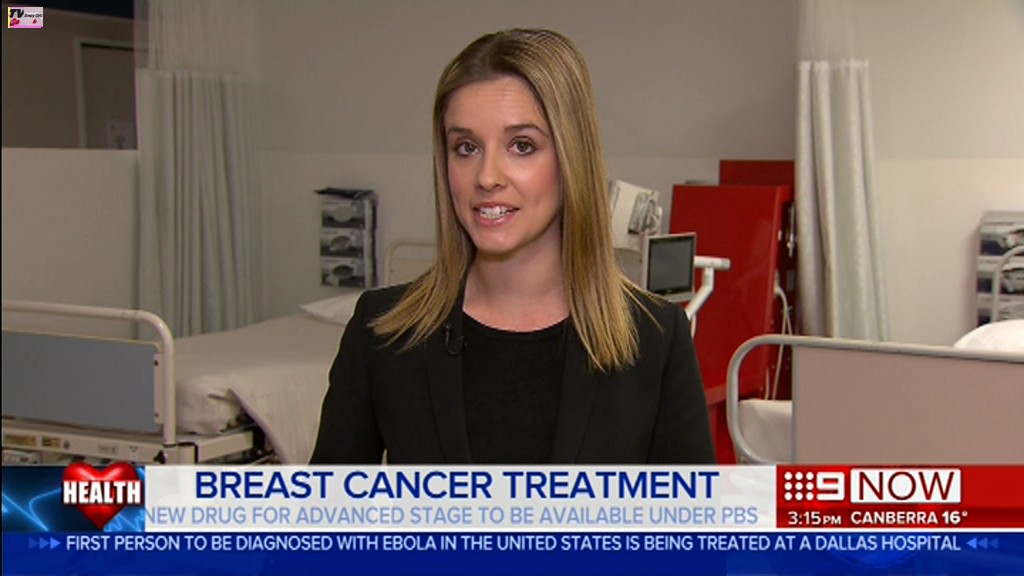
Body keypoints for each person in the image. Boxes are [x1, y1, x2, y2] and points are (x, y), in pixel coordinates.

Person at [311, 28, 714, 464]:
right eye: (466, 147)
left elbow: (687, 509)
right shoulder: (382, 334)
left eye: (522, 146)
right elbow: (329, 506)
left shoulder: (655, 341)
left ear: (572, 159)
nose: (487, 177)